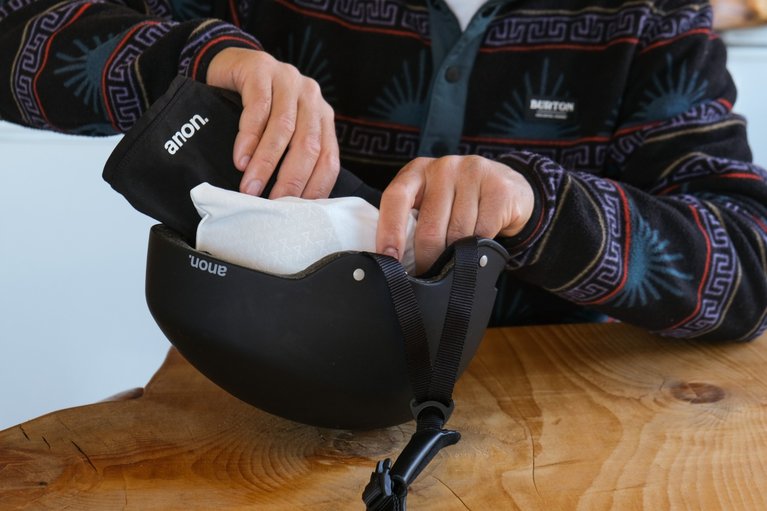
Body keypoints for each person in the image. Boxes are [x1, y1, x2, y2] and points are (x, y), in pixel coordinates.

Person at [1, 0, 765, 341]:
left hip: (551, 418)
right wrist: (197, 59)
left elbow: (747, 269)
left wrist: (537, 206)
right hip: (260, 393)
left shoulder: (649, 16)